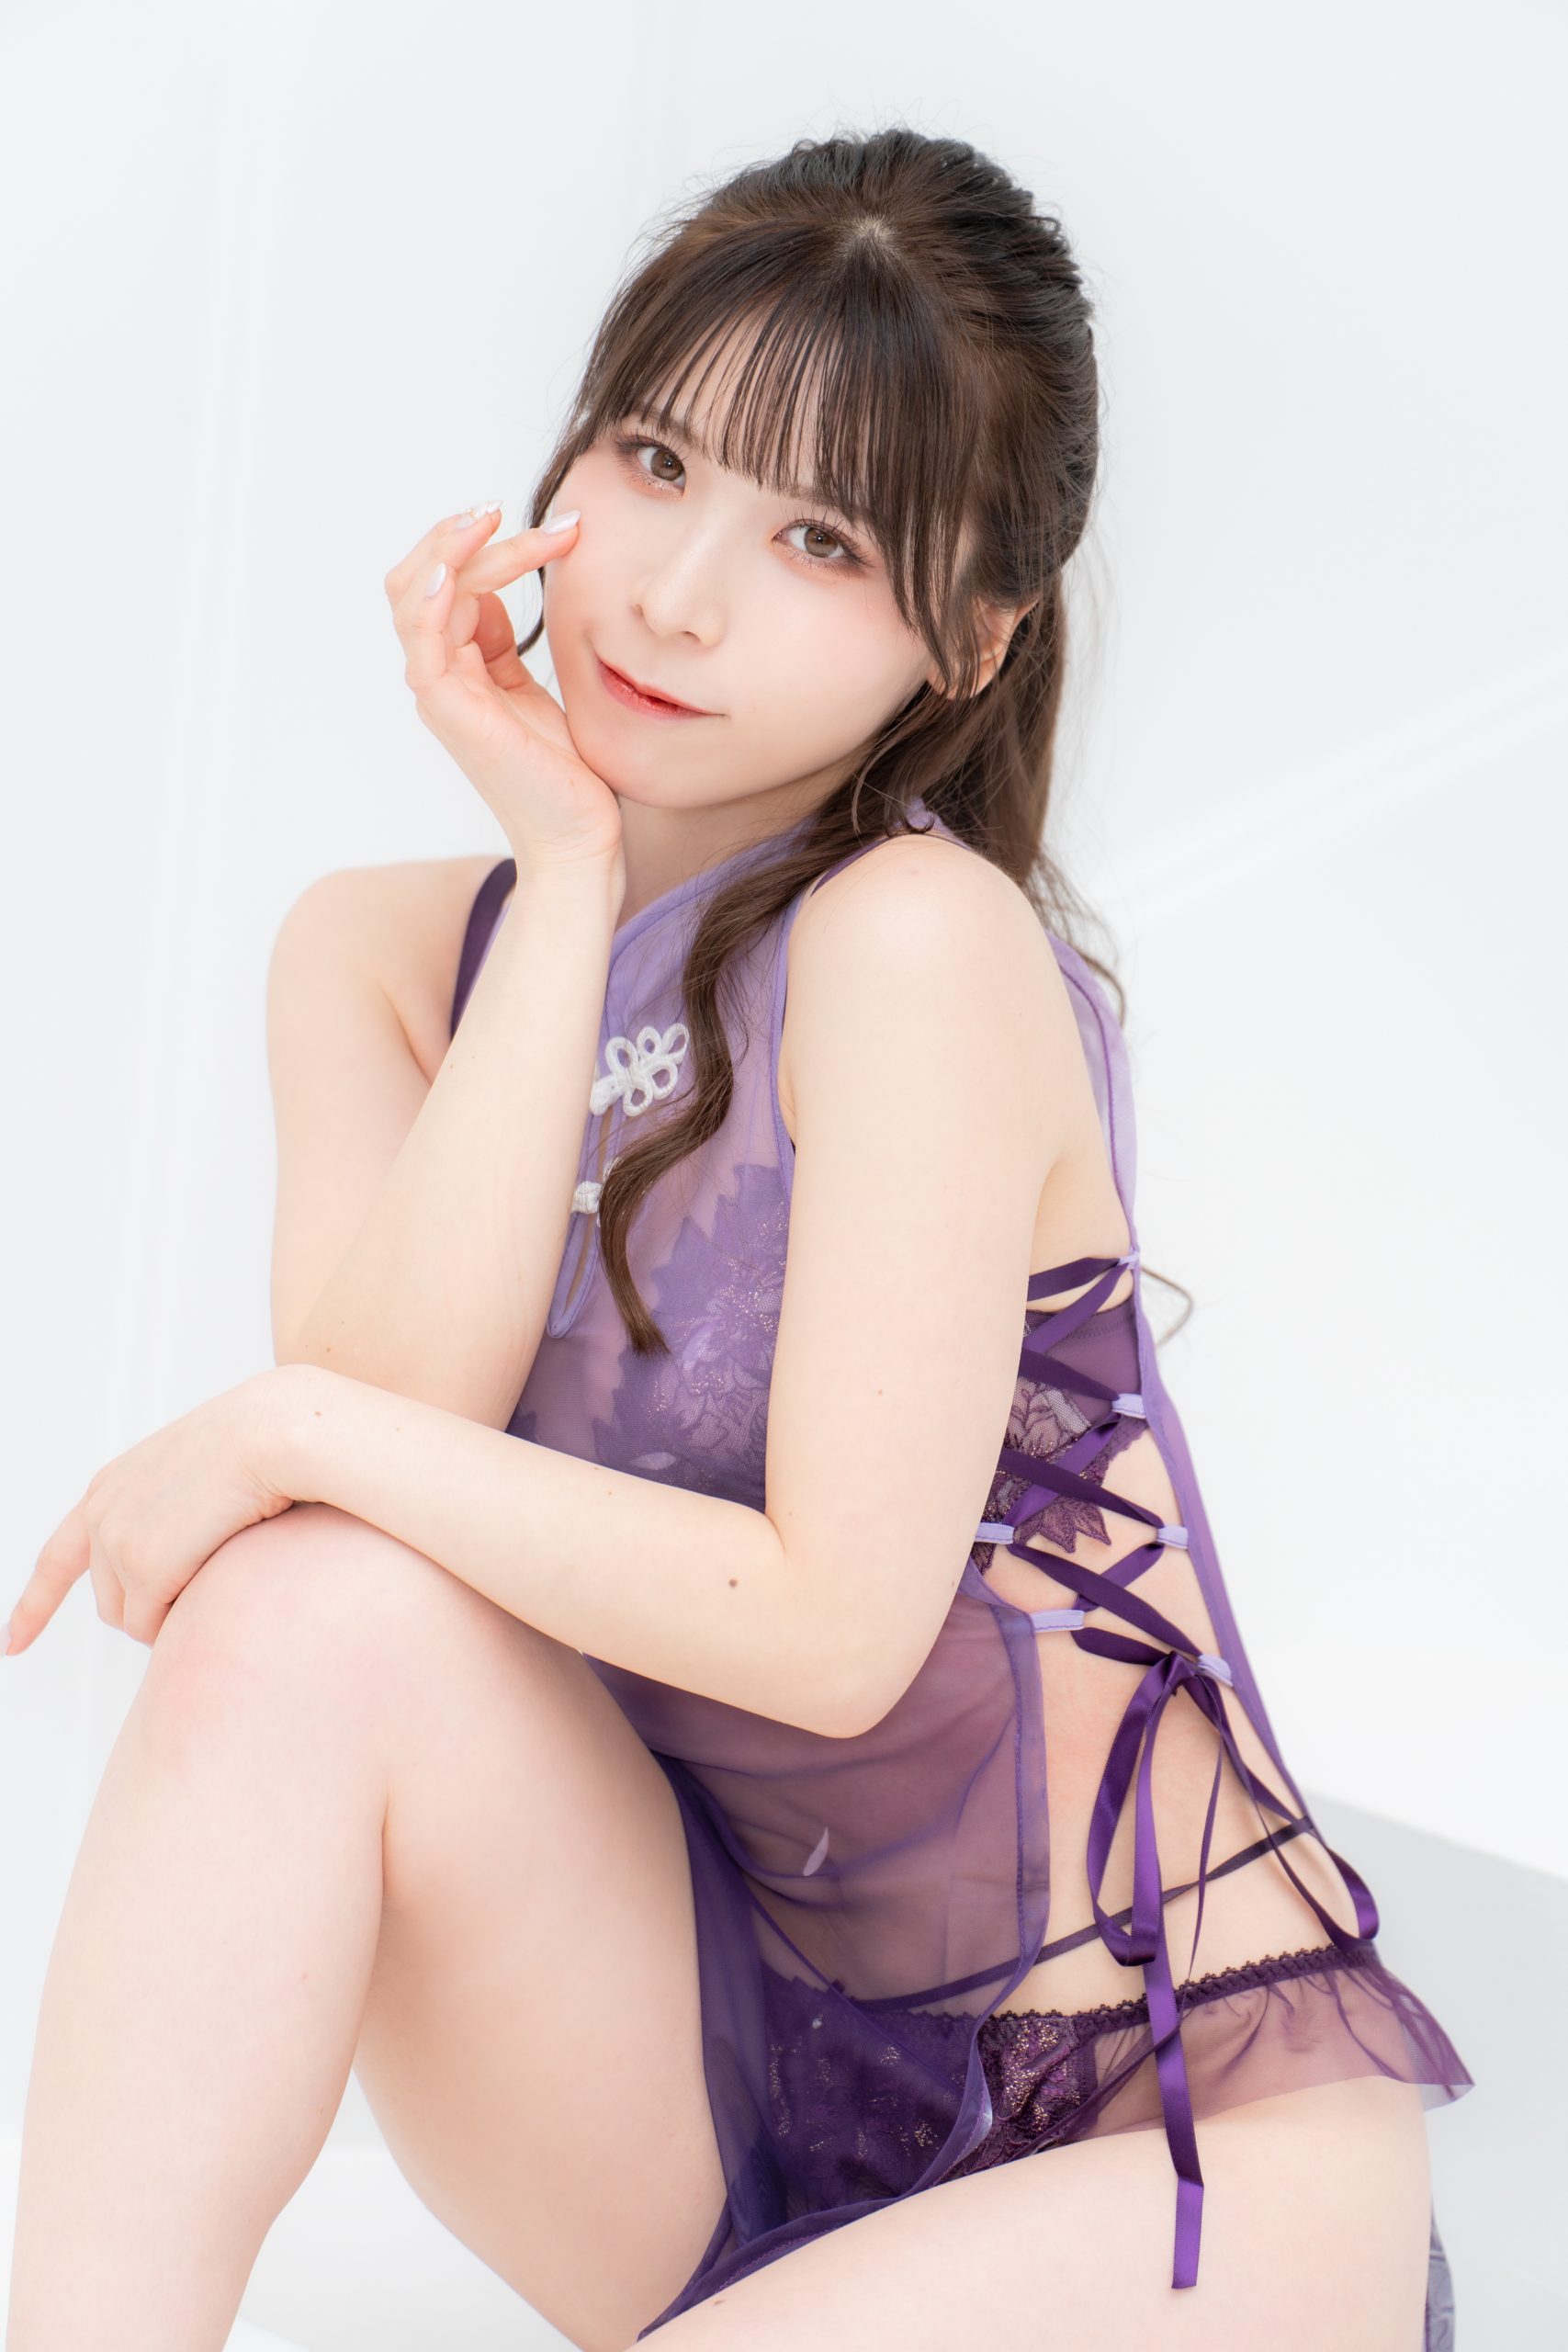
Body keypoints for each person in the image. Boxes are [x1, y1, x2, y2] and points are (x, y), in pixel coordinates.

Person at [5, 127, 1471, 2351]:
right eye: (655, 457)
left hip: (1157, 2149)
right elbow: (366, 1514)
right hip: (721, 2065)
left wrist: (285, 1422)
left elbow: (827, 1626)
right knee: (305, 1603)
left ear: (970, 637)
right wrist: (566, 879)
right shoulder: (380, 955)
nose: (676, 594)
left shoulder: (916, 941)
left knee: (322, 1515)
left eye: (817, 538)